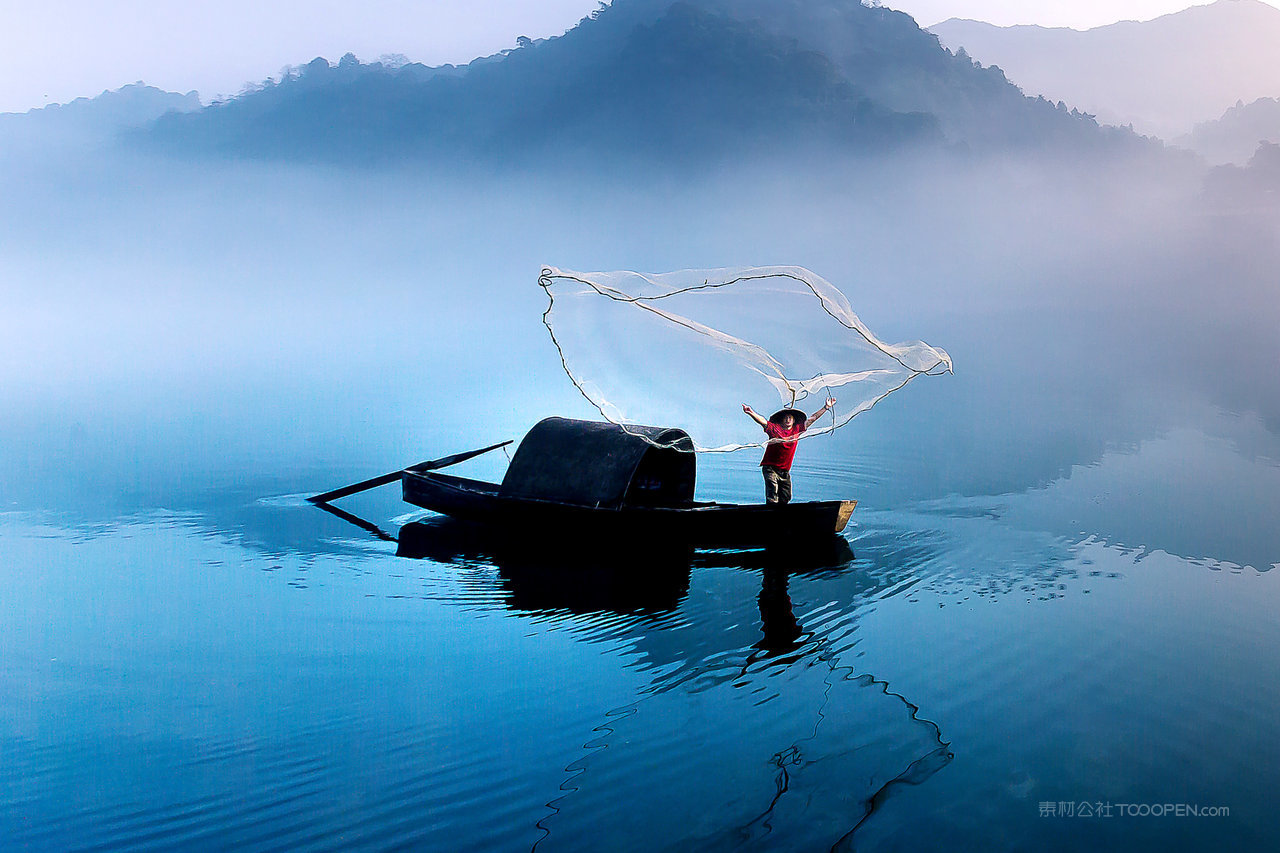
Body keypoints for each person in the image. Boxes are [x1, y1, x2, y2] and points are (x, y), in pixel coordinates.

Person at [741, 398, 836, 505]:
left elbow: (812, 419)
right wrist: (751, 412)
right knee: (772, 494)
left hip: (785, 471)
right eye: (785, 418)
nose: (788, 419)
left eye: (790, 418)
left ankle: (783, 516)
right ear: (782, 420)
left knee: (786, 497)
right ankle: (770, 515)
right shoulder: (775, 429)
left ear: (794, 420)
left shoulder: (797, 430)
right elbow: (763, 421)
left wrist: (826, 407)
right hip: (770, 468)